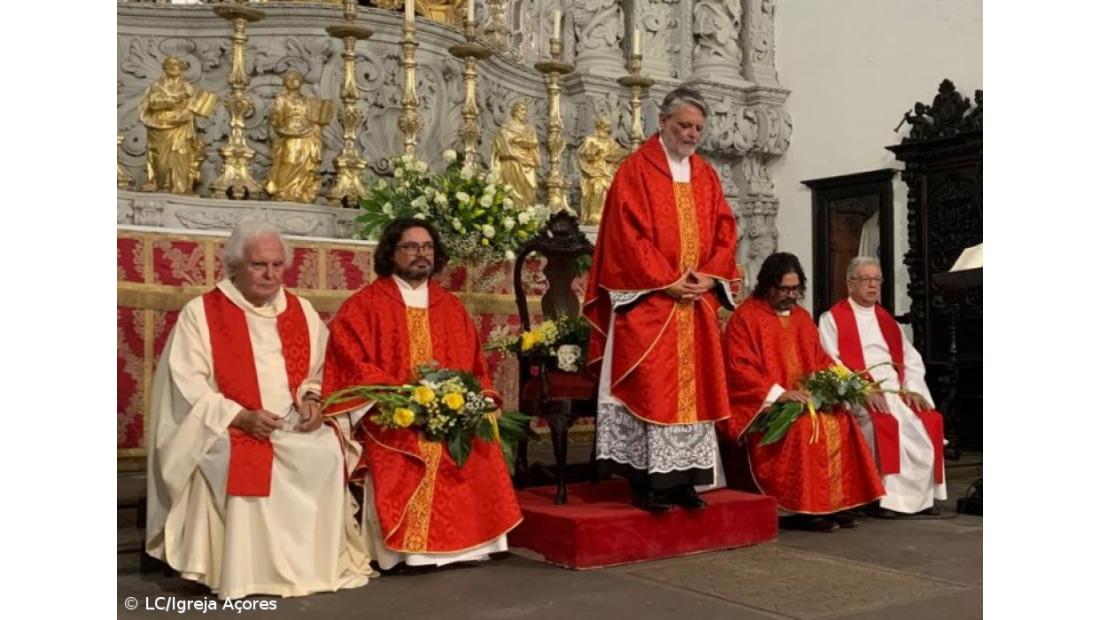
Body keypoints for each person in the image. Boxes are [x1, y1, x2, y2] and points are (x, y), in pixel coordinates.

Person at [145, 220, 372, 598]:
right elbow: (187, 384)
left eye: (277, 265)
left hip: (290, 419)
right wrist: (240, 417)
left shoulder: (300, 310)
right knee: (241, 456)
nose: (270, 275)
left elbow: (321, 369)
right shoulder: (202, 313)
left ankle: (314, 565)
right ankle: (248, 573)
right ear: (234, 266)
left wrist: (313, 400)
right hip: (226, 422)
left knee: (327, 452)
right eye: (259, 265)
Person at [322, 218, 522, 570]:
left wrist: (477, 400)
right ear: (391, 252)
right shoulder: (364, 306)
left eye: (427, 247)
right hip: (393, 413)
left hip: (450, 413)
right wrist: (403, 399)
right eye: (411, 247)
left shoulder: (451, 307)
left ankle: (474, 547)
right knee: (410, 448)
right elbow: (350, 361)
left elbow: (475, 367)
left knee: (477, 441)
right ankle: (410, 553)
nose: (421, 254)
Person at [582, 86, 740, 512]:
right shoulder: (635, 170)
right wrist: (666, 281)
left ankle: (683, 481)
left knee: (694, 393)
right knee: (649, 389)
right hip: (649, 303)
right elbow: (626, 236)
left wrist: (709, 276)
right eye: (685, 125)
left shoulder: (705, 174)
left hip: (695, 304)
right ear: (663, 122)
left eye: (698, 128)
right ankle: (646, 482)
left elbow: (725, 229)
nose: (692, 135)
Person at [722, 252, 884, 532]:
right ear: (767, 286)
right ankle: (801, 510)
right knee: (806, 428)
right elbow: (739, 368)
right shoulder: (745, 317)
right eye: (784, 289)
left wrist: (841, 385)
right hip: (765, 403)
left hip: (806, 398)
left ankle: (835, 504)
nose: (791, 295)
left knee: (841, 420)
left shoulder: (801, 317)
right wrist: (780, 394)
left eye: (795, 289)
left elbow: (820, 359)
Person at [819, 256, 946, 517]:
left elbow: (911, 360)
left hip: (896, 389)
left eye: (877, 280)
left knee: (927, 421)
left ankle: (921, 498)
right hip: (861, 391)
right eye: (866, 279)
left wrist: (912, 389)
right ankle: (885, 498)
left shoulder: (888, 321)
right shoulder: (832, 319)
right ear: (850, 284)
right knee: (885, 423)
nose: (872, 285)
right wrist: (862, 390)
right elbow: (829, 361)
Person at [138, 56, 213, 194]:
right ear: (164, 68)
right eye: (169, 65)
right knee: (160, 159)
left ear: (181, 69)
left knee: (181, 155)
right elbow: (153, 103)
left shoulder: (188, 88)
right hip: (160, 127)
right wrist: (175, 100)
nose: (173, 67)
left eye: (176, 65)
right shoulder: (156, 85)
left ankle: (179, 187)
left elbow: (194, 106)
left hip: (182, 127)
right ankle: (159, 183)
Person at [265, 69, 329, 204]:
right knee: (290, 160)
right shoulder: (282, 99)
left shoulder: (307, 100)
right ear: (285, 83)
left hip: (308, 133)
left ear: (301, 82)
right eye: (289, 79)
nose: (293, 81)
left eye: (296, 78)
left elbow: (314, 115)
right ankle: (283, 190)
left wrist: (320, 119)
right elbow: (277, 115)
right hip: (289, 132)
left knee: (305, 164)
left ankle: (300, 191)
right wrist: (275, 118)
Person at [577, 114, 627, 225]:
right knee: (598, 186)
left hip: (607, 171)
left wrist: (623, 155)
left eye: (608, 126)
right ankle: (594, 215)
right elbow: (584, 155)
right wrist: (594, 153)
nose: (607, 129)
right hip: (593, 171)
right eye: (605, 126)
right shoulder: (591, 139)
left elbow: (617, 154)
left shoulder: (611, 142)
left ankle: (607, 215)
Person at [490, 101, 541, 208]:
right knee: (510, 191)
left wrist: (520, 141)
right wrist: (512, 145)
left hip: (527, 163)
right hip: (510, 162)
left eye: (525, 110)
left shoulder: (529, 129)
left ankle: (527, 211)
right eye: (522, 109)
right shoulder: (505, 128)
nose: (524, 112)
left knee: (530, 187)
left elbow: (534, 143)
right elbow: (500, 144)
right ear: (515, 111)